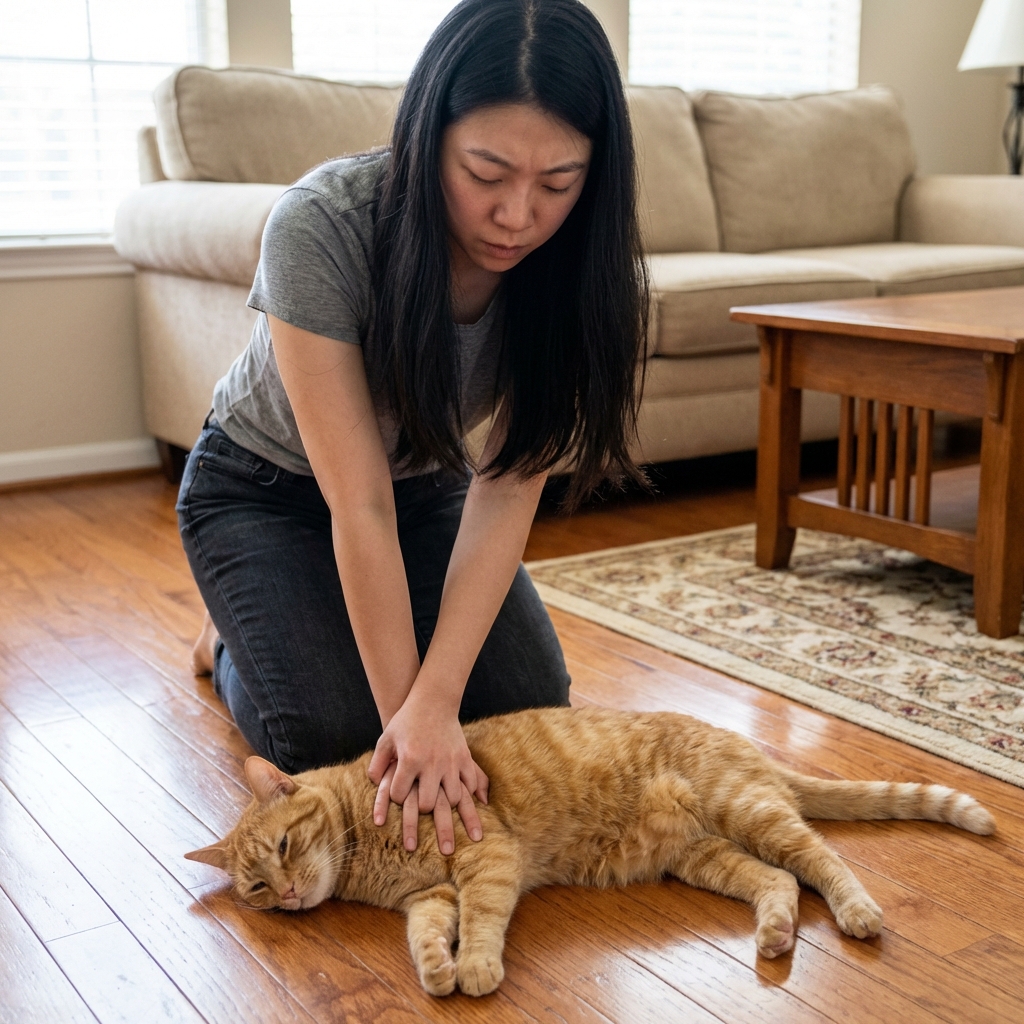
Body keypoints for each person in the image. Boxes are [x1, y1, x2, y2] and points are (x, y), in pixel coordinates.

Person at [177, 0, 648, 857]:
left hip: (424, 484)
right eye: (486, 171)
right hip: (260, 492)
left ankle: (290, 630)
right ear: (431, 133)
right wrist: (410, 727)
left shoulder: (581, 266)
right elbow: (357, 507)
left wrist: (436, 703)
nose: (517, 216)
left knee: (525, 703)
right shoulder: (322, 225)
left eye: (557, 183)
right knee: (342, 740)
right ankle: (230, 634)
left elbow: (505, 489)